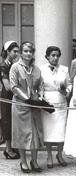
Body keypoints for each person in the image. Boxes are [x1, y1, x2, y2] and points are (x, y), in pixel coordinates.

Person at [10, 41, 44, 173]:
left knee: (35, 133)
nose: (28, 53)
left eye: (30, 51)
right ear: (21, 53)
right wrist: (27, 98)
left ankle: (34, 161)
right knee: (22, 134)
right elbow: (14, 87)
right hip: (21, 105)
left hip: (34, 105)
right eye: (25, 51)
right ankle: (23, 161)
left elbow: (40, 85)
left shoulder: (36, 69)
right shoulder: (15, 67)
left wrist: (40, 97)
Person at [40, 46, 72, 169]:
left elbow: (69, 84)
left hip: (61, 102)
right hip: (48, 104)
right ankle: (49, 155)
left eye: (57, 55)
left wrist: (66, 90)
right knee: (48, 131)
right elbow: (39, 86)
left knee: (60, 131)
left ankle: (59, 154)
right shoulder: (41, 69)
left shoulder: (64, 69)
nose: (55, 58)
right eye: (53, 55)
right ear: (47, 56)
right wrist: (41, 98)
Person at [0, 41, 20, 159]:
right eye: (14, 51)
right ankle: (7, 149)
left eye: (18, 51)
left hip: (13, 96)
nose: (17, 54)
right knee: (7, 121)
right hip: (7, 97)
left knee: (13, 121)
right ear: (8, 51)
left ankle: (12, 146)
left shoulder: (12, 65)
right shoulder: (3, 66)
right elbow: (7, 86)